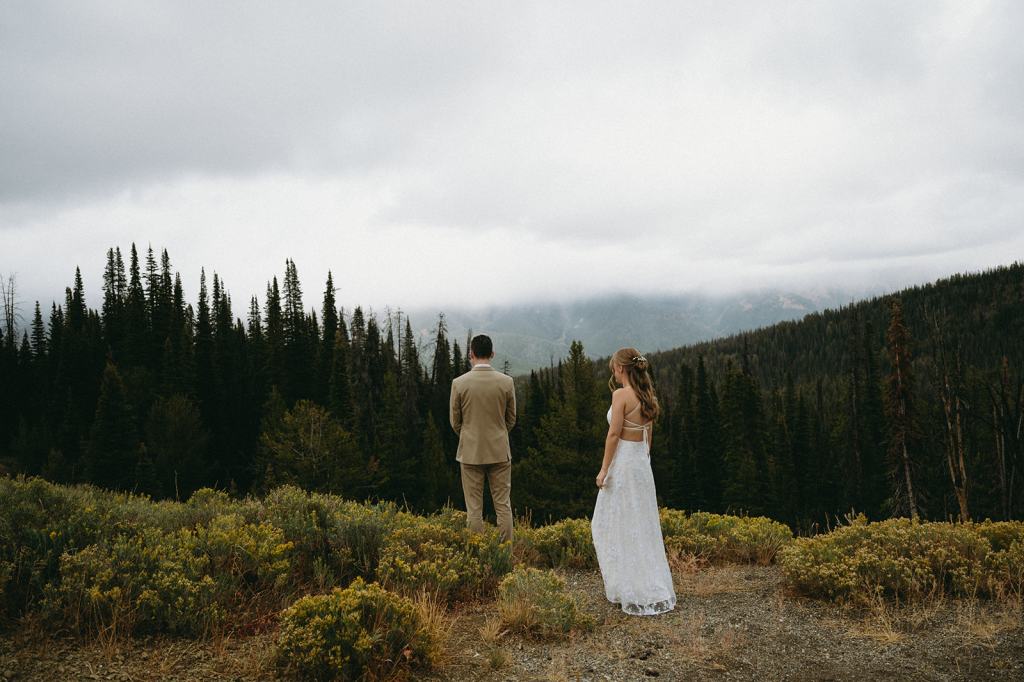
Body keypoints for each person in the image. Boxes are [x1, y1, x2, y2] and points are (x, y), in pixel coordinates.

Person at [591, 347, 676, 615]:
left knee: (609, 522)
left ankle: (626, 584)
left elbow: (613, 434)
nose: (613, 373)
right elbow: (648, 433)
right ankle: (640, 582)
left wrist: (604, 469)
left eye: (614, 368)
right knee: (641, 522)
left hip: (624, 463)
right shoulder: (646, 395)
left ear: (621, 368)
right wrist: (644, 458)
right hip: (640, 464)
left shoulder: (621, 395)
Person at [449, 334, 517, 542]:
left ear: (471, 354)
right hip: (499, 452)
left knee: (474, 510)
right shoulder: (506, 382)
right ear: (492, 354)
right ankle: (505, 554)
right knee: (503, 506)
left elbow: (455, 422)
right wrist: (498, 434)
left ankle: (479, 554)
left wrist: (470, 436)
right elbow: (511, 419)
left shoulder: (459, 383)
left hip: (470, 453)